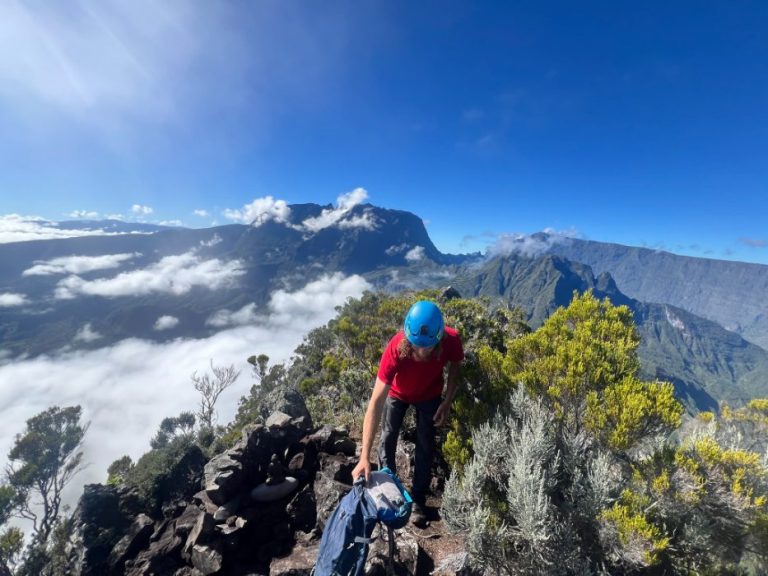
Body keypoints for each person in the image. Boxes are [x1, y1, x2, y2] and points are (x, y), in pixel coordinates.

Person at [351, 300, 464, 527]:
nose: (422, 352)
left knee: (426, 443)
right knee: (388, 436)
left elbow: (456, 365)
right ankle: (388, 486)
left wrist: (448, 400)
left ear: (439, 337)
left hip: (429, 395)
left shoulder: (450, 339)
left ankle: (419, 498)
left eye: (428, 346)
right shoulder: (396, 349)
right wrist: (364, 457)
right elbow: (375, 402)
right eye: (416, 345)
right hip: (398, 394)